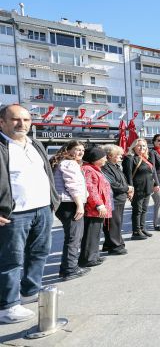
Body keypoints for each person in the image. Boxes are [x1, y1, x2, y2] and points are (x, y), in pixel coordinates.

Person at [0, 104, 60, 323]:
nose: (21, 124)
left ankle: (29, 292)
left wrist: (53, 200)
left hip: (42, 209)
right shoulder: (1, 146)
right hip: (14, 214)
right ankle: (7, 306)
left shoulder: (35, 144)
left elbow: (46, 173)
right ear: (2, 122)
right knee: (11, 260)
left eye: (26, 120)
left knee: (39, 253)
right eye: (16, 119)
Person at [51, 141, 89, 280]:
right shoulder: (69, 163)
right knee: (74, 237)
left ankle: (66, 268)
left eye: (82, 150)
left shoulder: (62, 162)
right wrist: (80, 205)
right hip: (70, 203)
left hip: (65, 204)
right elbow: (72, 185)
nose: (80, 152)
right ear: (68, 150)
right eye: (77, 149)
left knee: (72, 236)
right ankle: (70, 269)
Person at [79, 147, 112, 268]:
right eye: (103, 157)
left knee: (96, 234)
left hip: (97, 208)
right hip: (93, 209)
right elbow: (90, 189)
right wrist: (98, 204)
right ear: (96, 158)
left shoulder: (95, 169)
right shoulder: (88, 170)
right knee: (90, 234)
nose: (105, 159)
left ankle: (94, 255)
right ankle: (87, 258)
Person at [100, 144, 131, 255]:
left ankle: (110, 244)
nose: (120, 156)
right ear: (109, 155)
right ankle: (115, 245)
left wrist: (127, 189)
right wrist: (127, 188)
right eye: (117, 154)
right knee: (113, 224)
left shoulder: (115, 165)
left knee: (116, 223)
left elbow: (121, 180)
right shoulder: (105, 167)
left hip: (119, 198)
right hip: (113, 199)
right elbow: (112, 183)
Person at [123, 138, 156, 239]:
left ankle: (142, 228)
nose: (142, 148)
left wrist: (154, 185)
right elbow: (128, 175)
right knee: (137, 210)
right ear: (134, 147)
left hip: (147, 188)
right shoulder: (130, 158)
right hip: (137, 189)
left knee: (144, 209)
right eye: (139, 145)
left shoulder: (145, 157)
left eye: (144, 146)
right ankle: (136, 231)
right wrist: (130, 189)